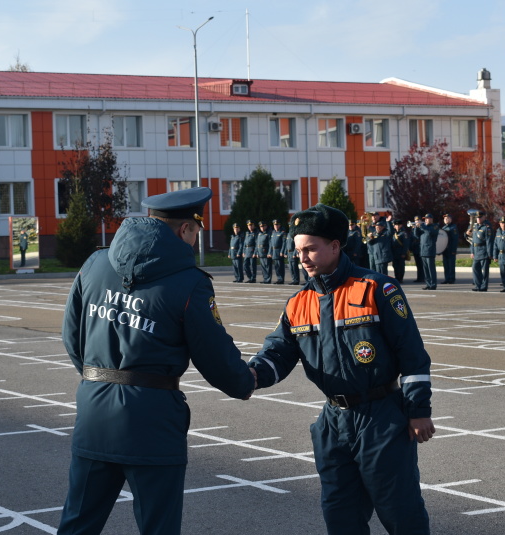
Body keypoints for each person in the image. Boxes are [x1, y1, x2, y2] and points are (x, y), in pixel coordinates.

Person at [58, 187, 256, 535]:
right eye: (196, 233)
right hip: (152, 421)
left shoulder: (96, 263)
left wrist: (99, 377)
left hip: (94, 413)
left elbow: (71, 336)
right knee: (158, 526)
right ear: (185, 230)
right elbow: (215, 356)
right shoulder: (189, 282)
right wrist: (245, 381)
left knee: (77, 524)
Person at [248, 203, 435, 535]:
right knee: (340, 514)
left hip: (381, 419)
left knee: (400, 512)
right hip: (333, 424)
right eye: (298, 250)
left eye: (310, 249)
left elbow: (413, 355)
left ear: (335, 245)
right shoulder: (298, 303)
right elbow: (276, 354)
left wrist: (418, 410)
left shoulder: (377, 289)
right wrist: (248, 376)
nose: (302, 258)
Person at [469, 211, 493, 292]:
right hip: (476, 251)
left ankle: (484, 286)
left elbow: (489, 241)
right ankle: (477, 285)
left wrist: (489, 254)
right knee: (475, 268)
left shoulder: (487, 227)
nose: (478, 219)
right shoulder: (475, 227)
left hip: (483, 251)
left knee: (485, 271)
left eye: (480, 217)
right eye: (477, 218)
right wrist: (472, 251)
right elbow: (473, 241)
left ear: (484, 217)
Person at [414, 213, 439, 290]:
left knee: (431, 269)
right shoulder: (423, 227)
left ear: (431, 219)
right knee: (426, 269)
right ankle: (428, 284)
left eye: (427, 219)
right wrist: (416, 227)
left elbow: (430, 232)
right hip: (423, 250)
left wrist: (421, 226)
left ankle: (433, 284)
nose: (426, 220)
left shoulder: (434, 226)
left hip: (430, 250)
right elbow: (416, 236)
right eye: (425, 219)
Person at [440, 213, 458, 284]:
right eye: (445, 218)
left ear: (451, 219)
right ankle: (446, 278)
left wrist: (454, 250)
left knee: (451, 265)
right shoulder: (443, 228)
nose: (446, 219)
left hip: (450, 249)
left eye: (447, 218)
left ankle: (451, 279)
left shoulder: (453, 227)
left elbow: (455, 239)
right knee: (446, 265)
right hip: (445, 250)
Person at [270, 219, 287, 284]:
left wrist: (282, 251)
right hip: (274, 251)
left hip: (279, 251)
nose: (276, 226)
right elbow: (271, 243)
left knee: (280, 266)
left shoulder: (282, 233)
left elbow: (284, 243)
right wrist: (270, 252)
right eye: (275, 225)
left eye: (277, 225)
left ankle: (281, 279)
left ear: (279, 225)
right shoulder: (273, 233)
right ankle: (278, 278)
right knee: (276, 266)